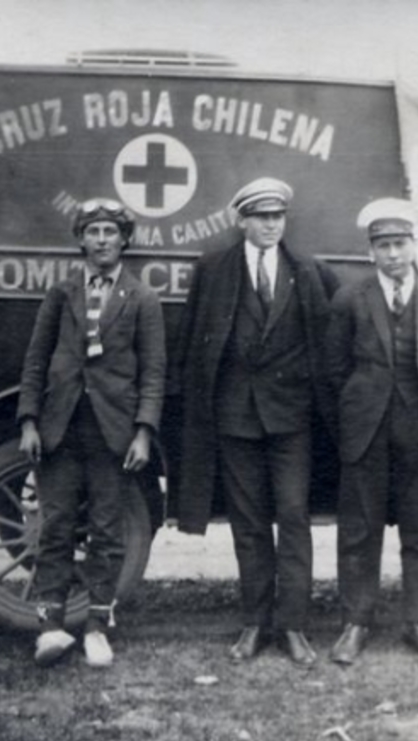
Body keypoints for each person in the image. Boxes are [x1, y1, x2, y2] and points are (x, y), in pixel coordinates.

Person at [172, 177, 335, 665]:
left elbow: (325, 345)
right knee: (248, 524)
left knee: (293, 517)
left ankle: (293, 627)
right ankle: (253, 624)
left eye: (277, 217)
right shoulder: (214, 269)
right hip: (235, 416)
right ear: (241, 220)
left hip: (292, 418)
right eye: (261, 217)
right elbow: (194, 339)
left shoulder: (307, 271)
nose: (271, 226)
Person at [17, 197, 166, 668]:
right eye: (93, 231)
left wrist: (143, 432)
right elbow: (36, 360)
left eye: (110, 231)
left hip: (113, 431)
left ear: (125, 240)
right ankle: (51, 627)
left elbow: (153, 372)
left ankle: (99, 627)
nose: (102, 239)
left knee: (106, 528)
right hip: (60, 427)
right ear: (81, 239)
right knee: (56, 526)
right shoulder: (61, 295)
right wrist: (29, 421)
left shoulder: (142, 298)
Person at [325, 197, 418, 666]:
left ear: (414, 246)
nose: (392, 254)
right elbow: (333, 370)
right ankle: (355, 623)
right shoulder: (350, 299)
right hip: (366, 431)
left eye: (400, 244)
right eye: (383, 245)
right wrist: (353, 414)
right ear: (371, 252)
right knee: (359, 530)